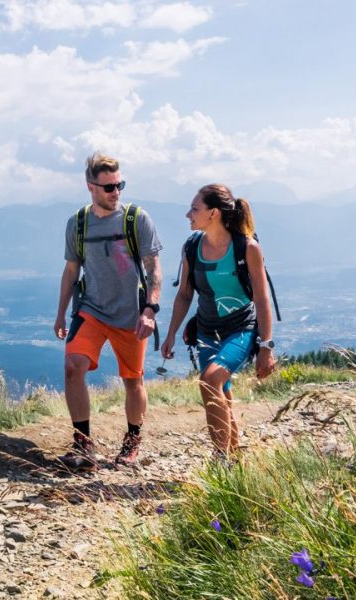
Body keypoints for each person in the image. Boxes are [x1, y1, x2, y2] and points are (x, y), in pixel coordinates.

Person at [53, 152, 162, 471]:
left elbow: (154, 268)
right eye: (109, 187)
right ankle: (83, 444)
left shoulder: (136, 219)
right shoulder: (78, 223)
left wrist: (150, 310)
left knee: (133, 380)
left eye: (120, 185)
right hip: (92, 310)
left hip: (131, 314)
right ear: (91, 187)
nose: (116, 192)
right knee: (73, 366)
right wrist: (61, 313)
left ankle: (132, 442)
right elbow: (71, 270)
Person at [160, 183, 276, 465]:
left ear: (213, 213)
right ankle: (234, 461)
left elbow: (262, 299)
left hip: (241, 330)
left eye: (194, 209)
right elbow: (185, 294)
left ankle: (220, 458)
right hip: (205, 331)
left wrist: (266, 346)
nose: (189, 214)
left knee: (210, 380)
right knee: (221, 391)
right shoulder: (191, 247)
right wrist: (171, 333)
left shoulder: (246, 247)